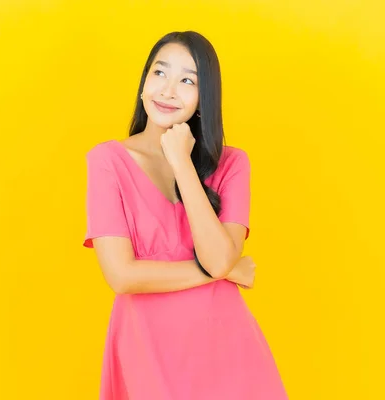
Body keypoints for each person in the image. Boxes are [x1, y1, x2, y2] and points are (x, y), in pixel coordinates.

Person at [82, 31, 288, 400]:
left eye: (187, 80)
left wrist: (181, 163)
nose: (168, 90)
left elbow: (220, 257)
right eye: (159, 73)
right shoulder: (107, 162)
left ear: (204, 97)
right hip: (145, 347)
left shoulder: (232, 164)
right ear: (144, 81)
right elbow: (122, 276)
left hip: (227, 347)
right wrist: (223, 272)